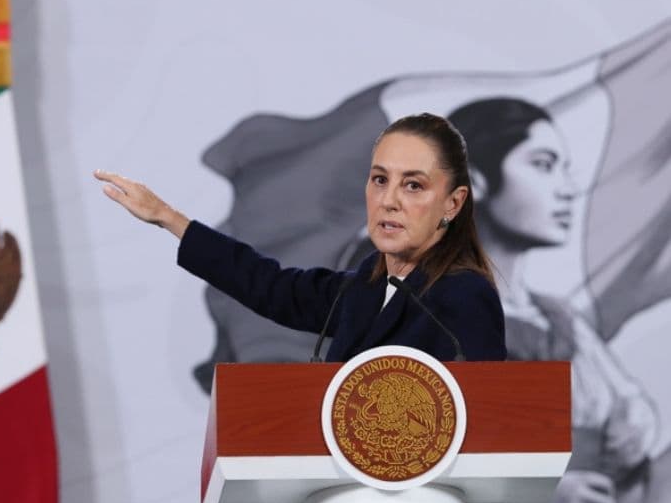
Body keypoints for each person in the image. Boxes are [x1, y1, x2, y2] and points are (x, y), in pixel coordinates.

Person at [94, 113, 506, 363]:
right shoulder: (363, 289)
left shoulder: (463, 296)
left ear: (453, 203)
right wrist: (169, 218)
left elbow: (483, 428)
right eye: (380, 180)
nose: (389, 200)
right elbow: (269, 285)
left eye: (413, 185)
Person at [449, 97, 666, 503]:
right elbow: (374, 476)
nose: (567, 189)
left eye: (565, 169)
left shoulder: (562, 323)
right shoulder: (420, 312)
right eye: (543, 165)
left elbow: (644, 502)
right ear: (476, 182)